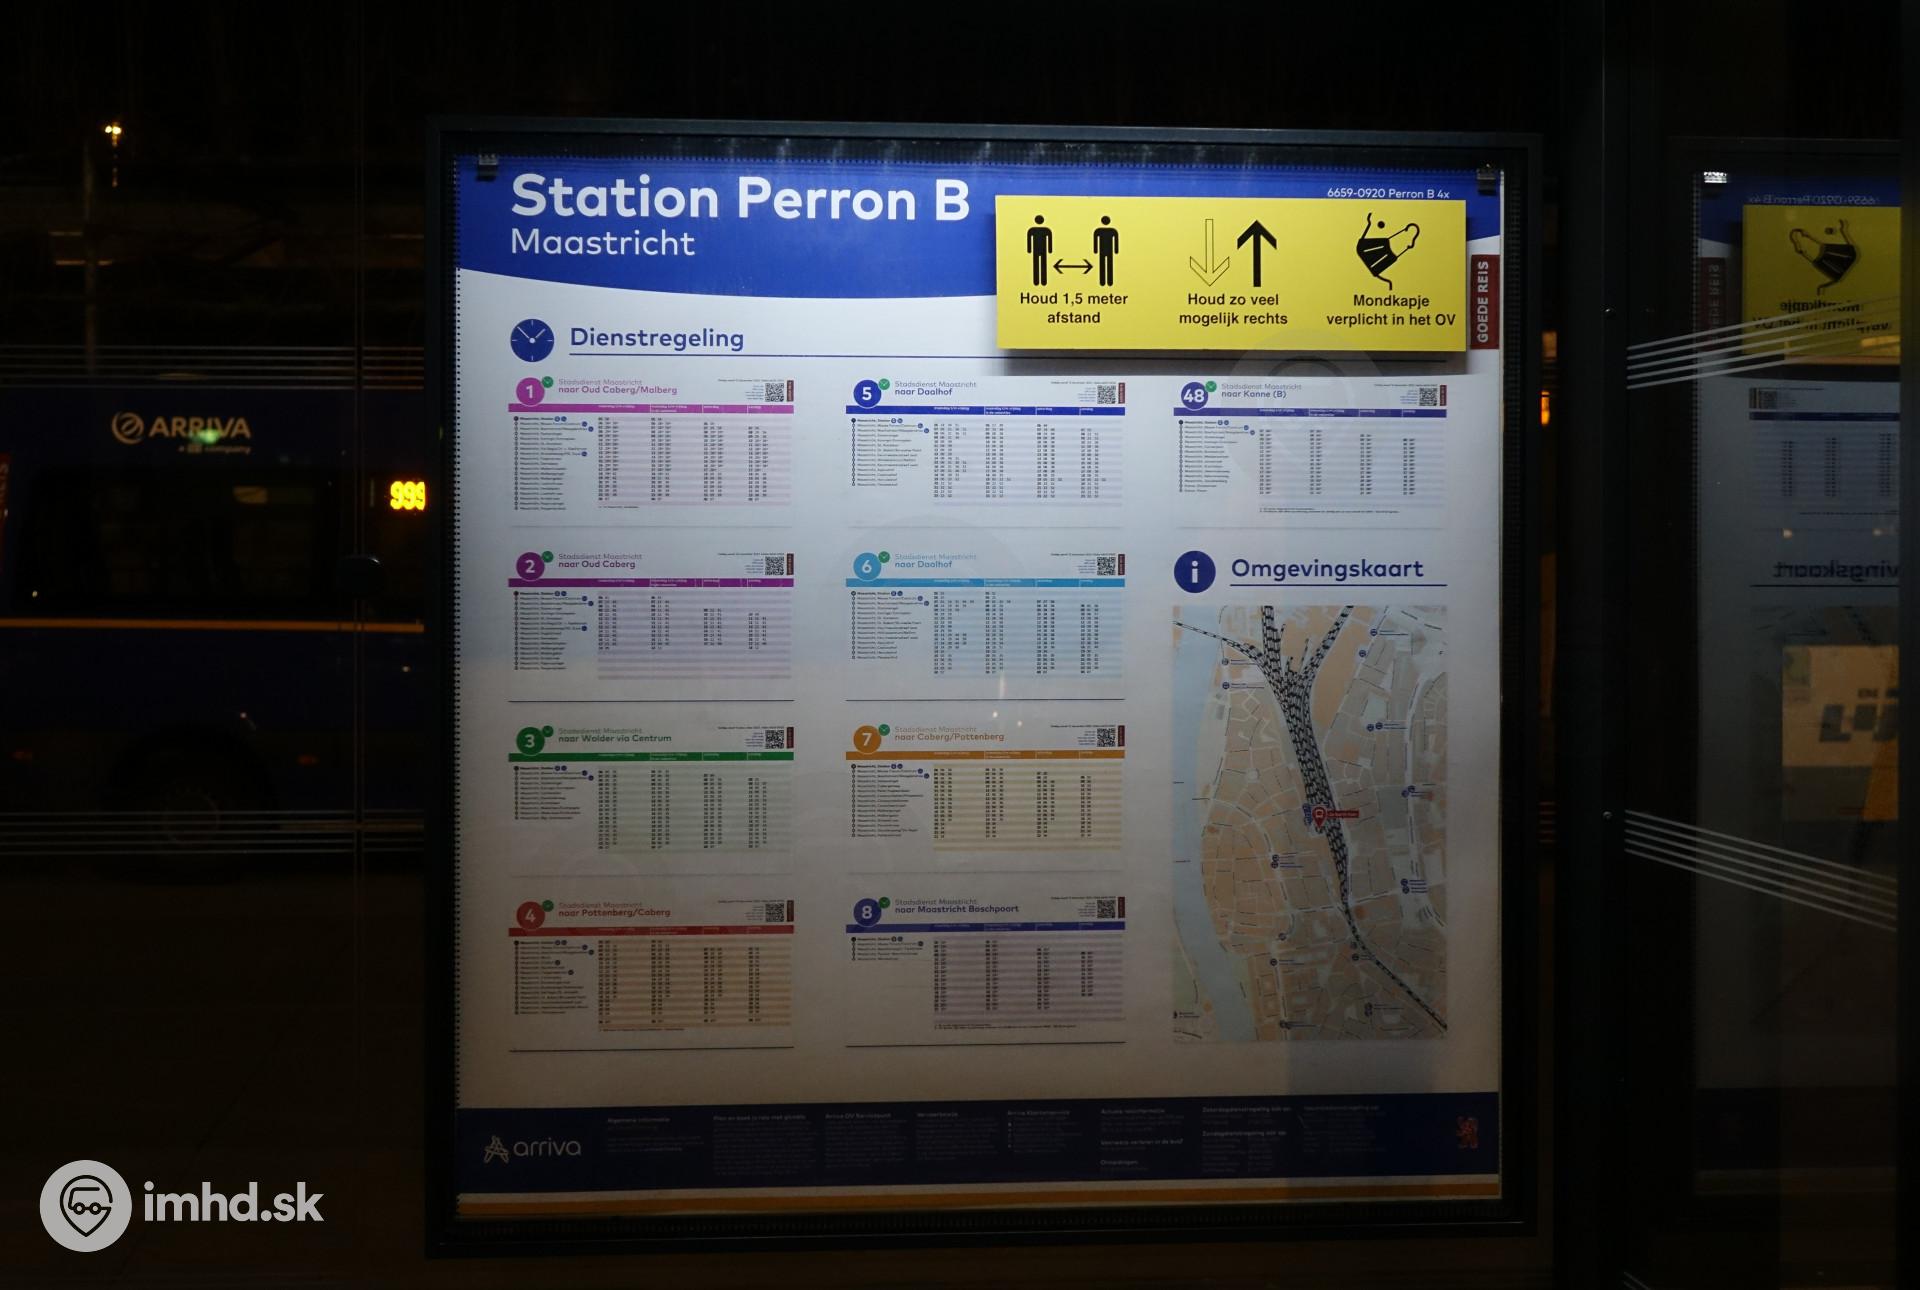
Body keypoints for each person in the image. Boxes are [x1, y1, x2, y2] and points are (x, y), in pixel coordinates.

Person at [1093, 215, 1119, 286]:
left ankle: (1109, 282)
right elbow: (1095, 240)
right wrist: (1095, 250)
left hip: (1107, 251)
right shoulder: (1099, 231)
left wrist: (1116, 250)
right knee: (1104, 265)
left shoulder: (1112, 231)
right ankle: (1103, 282)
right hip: (1104, 251)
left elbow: (1116, 240)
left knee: (1108, 265)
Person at [1028, 215, 1053, 286]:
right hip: (1040, 250)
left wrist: (1050, 250)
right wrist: (1050, 250)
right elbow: (1029, 240)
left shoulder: (1034, 230)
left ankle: (1042, 281)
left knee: (1041, 264)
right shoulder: (1044, 230)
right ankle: (1038, 281)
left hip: (1040, 250)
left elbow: (1049, 240)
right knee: (1039, 264)